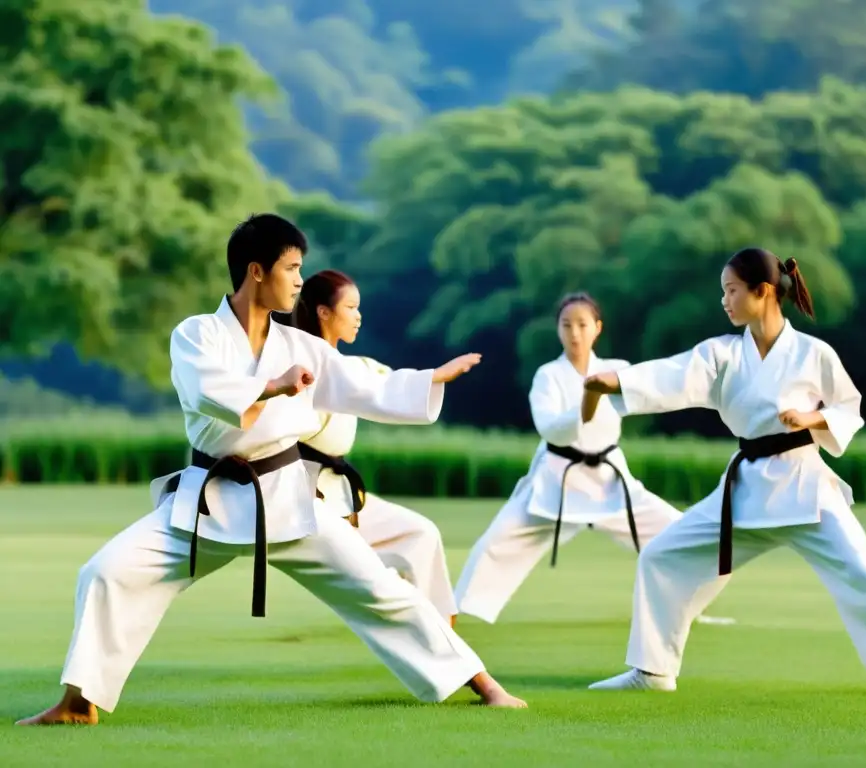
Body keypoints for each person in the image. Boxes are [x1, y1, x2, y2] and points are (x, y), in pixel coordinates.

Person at [16, 214, 526, 726]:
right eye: (292, 267)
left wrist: (428, 380)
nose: (300, 280)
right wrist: (272, 386)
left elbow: (362, 386)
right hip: (209, 503)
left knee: (380, 590)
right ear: (256, 271)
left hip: (288, 501)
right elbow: (206, 393)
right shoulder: (197, 334)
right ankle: (78, 704)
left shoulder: (302, 346)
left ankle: (483, 684)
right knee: (106, 572)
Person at [584, 247, 866, 701]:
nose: (724, 301)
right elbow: (671, 375)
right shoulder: (721, 354)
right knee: (661, 556)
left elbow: (849, 408)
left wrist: (813, 420)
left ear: (762, 291)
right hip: (746, 490)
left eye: (731, 291)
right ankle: (652, 672)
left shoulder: (813, 353)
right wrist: (614, 382)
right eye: (723, 292)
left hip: (806, 489)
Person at [453, 292, 735, 627]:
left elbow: (654, 390)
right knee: (493, 544)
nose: (574, 332)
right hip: (556, 481)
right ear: (557, 329)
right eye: (566, 325)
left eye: (582, 324)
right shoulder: (548, 375)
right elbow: (551, 429)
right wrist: (585, 403)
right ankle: (454, 615)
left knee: (682, 535)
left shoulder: (616, 371)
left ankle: (687, 608)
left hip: (610, 482)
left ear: (597, 328)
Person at [280, 269, 458, 625]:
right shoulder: (295, 370)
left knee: (420, 534)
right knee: (375, 588)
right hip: (299, 500)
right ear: (323, 312)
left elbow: (387, 384)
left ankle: (446, 639)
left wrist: (432, 377)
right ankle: (425, 638)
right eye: (350, 307)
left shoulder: (353, 368)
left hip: (339, 495)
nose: (359, 315)